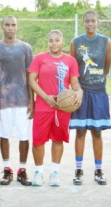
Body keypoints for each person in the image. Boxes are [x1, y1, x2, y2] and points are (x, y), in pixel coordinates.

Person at [28, 30, 82, 186]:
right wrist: (45, 97)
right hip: (43, 106)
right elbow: (31, 80)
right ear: (48, 42)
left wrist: (79, 91)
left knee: (58, 139)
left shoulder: (70, 61)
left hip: (62, 107)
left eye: (57, 40)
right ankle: (38, 172)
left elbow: (75, 82)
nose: (54, 43)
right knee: (38, 141)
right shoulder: (40, 58)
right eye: (51, 40)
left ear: (62, 42)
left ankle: (54, 173)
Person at [0, 15, 33, 186]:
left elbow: (30, 76)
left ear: (17, 27)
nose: (10, 28)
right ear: (2, 27)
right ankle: (7, 170)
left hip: (22, 100)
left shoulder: (25, 48)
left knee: (24, 136)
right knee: (4, 135)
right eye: (7, 25)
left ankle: (22, 170)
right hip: (3, 101)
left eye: (13, 24)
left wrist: (32, 101)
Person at [69, 10, 111, 185]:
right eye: (87, 21)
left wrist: (97, 79)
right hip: (81, 92)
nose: (90, 24)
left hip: (98, 92)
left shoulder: (105, 41)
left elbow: (107, 65)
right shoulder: (76, 42)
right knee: (80, 132)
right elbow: (72, 68)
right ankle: (78, 170)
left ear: (98, 22)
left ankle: (98, 170)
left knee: (96, 132)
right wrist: (76, 89)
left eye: (93, 20)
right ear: (83, 22)